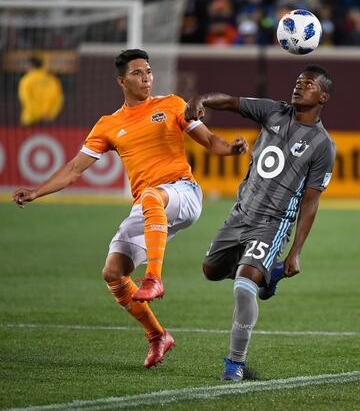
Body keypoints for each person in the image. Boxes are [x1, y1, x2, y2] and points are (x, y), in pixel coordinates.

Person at [12, 49, 248, 368]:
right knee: (113, 272)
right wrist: (37, 191)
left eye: (149, 71)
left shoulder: (172, 105)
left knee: (150, 196)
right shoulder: (108, 125)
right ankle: (157, 336)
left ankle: (153, 278)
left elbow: (210, 142)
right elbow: (74, 169)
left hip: (183, 192)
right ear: (122, 81)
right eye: (138, 73)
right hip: (149, 206)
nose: (147, 77)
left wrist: (231, 149)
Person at [185, 64, 336, 381]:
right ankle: (270, 276)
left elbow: (311, 200)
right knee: (210, 271)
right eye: (297, 82)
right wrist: (203, 101)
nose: (298, 87)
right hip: (240, 213)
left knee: (243, 285)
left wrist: (295, 250)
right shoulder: (273, 111)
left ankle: (235, 363)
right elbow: (230, 101)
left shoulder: (323, 145)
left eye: (307, 84)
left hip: (273, 223)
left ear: (323, 96)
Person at [18, 56, 64, 126]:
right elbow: (59, 99)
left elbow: (26, 99)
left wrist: (36, 113)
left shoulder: (26, 80)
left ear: (30, 65)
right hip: (49, 119)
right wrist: (50, 114)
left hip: (30, 118)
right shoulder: (52, 80)